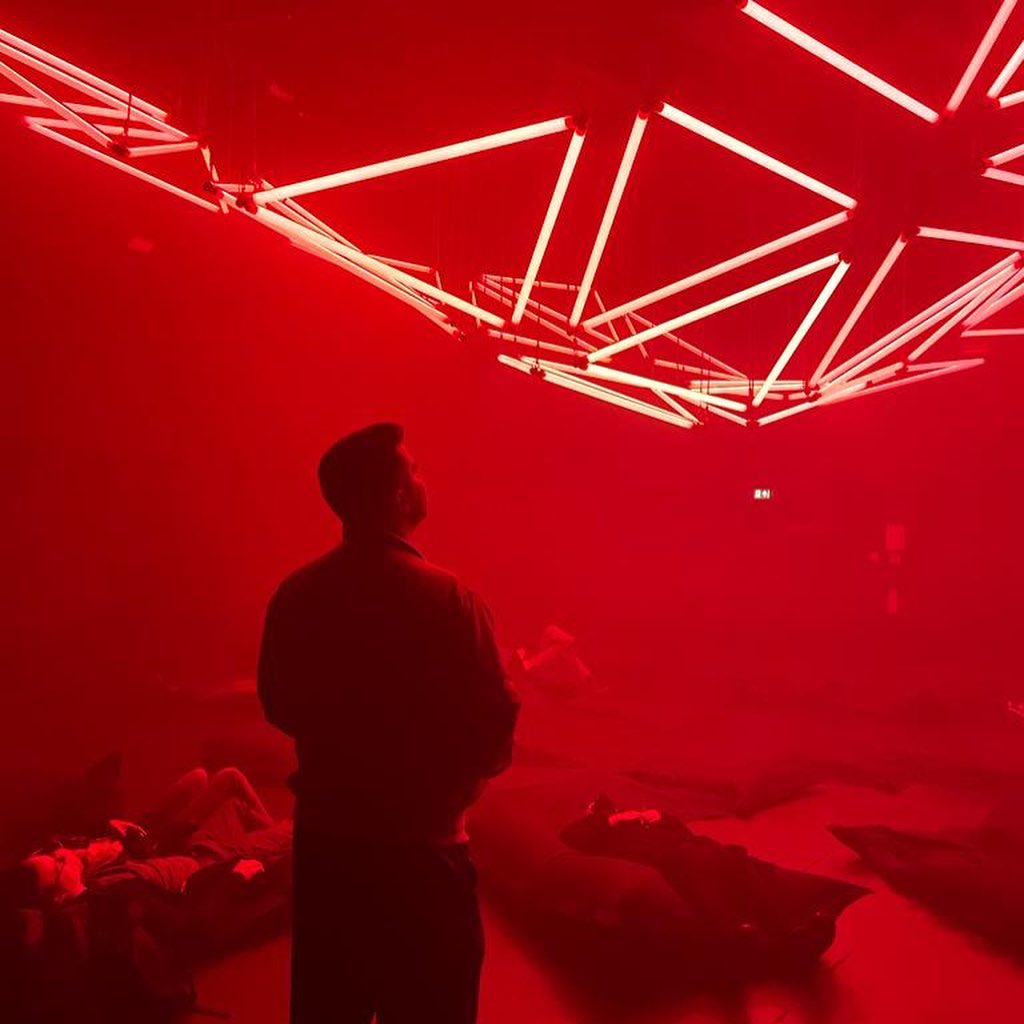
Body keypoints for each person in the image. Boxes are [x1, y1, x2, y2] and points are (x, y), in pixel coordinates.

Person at [258, 422, 520, 1024]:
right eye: (415, 470)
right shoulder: (453, 600)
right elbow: (494, 721)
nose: (424, 480)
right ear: (399, 496)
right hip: (425, 856)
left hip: (329, 854)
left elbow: (277, 704)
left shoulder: (297, 594)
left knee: (330, 1008)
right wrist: (462, 789)